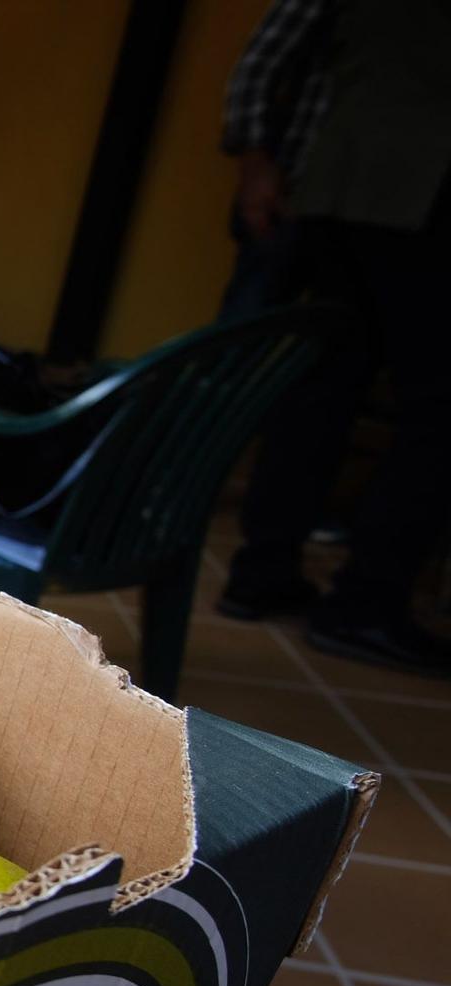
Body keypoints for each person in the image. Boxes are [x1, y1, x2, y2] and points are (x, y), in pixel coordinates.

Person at [216, 0, 451, 678]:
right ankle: (364, 601)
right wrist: (258, 162)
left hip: (343, 190)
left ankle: (264, 570)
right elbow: (264, 61)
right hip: (391, 200)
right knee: (427, 406)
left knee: (322, 387)